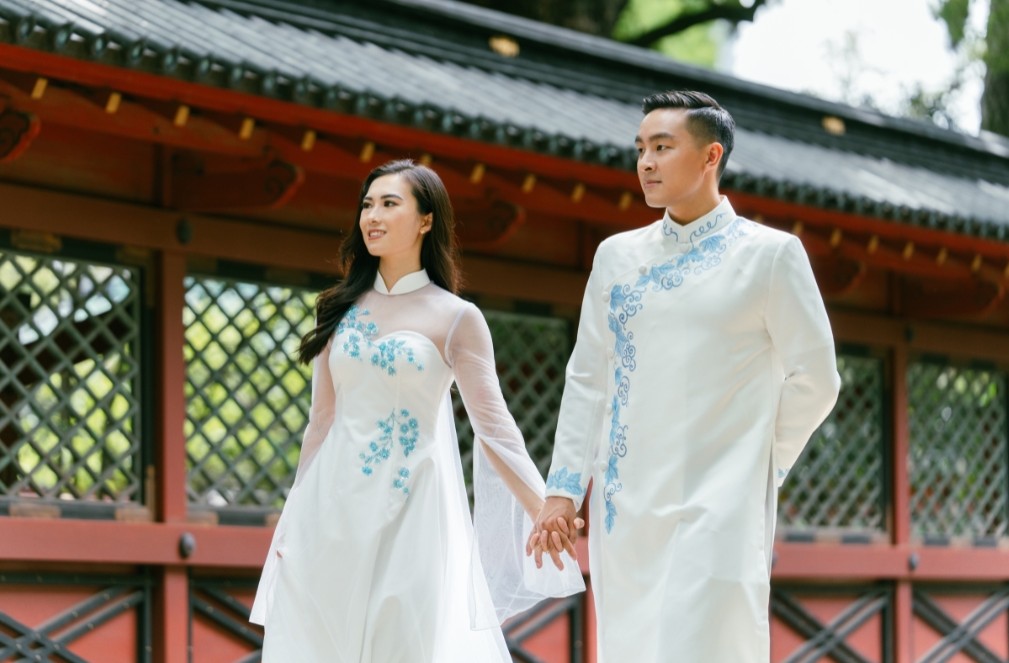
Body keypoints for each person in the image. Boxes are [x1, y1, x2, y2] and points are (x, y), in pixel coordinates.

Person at [530, 91, 840, 661]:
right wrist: (563, 491)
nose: (645, 162)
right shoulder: (615, 257)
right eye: (640, 149)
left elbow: (817, 377)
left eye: (662, 147)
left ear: (709, 157)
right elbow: (588, 379)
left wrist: (758, 463)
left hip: (719, 507)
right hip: (627, 510)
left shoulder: (770, 256)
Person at [251, 159, 584, 662]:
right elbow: (321, 422)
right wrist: (293, 519)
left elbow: (495, 429)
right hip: (332, 511)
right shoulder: (337, 309)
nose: (372, 216)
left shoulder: (456, 318)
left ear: (426, 220)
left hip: (414, 509)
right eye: (367, 205)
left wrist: (544, 508)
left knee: (404, 643)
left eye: (389, 203)